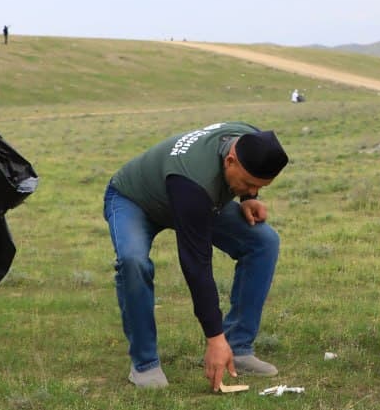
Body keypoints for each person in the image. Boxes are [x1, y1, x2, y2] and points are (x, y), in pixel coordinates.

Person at [105, 123, 289, 390]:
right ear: (230, 160)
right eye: (248, 184)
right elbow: (196, 264)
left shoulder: (249, 137)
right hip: (134, 200)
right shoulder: (193, 181)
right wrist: (214, 338)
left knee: (263, 241)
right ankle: (144, 364)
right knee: (133, 262)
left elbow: (249, 177)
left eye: (259, 186)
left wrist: (248, 198)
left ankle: (238, 346)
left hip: (190, 198)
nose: (251, 189)